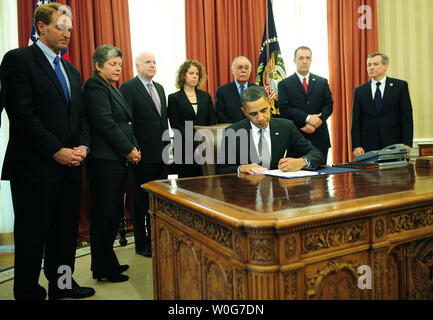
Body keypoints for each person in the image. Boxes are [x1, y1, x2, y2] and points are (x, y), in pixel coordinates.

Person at [0, 3, 94, 300]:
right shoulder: (18, 60)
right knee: (31, 236)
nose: (67, 33)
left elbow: (79, 116)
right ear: (41, 26)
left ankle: (62, 285)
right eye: (60, 27)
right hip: (34, 168)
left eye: (69, 28)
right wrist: (56, 150)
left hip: (70, 167)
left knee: (65, 235)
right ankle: (27, 291)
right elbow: (22, 115)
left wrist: (82, 146)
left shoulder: (71, 69)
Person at [83, 45, 141, 282]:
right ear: (98, 66)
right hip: (104, 161)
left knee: (113, 213)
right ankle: (105, 268)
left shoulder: (111, 87)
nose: (118, 68)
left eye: (119, 63)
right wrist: (129, 150)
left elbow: (127, 123)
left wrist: (134, 147)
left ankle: (107, 263)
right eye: (112, 64)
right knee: (104, 215)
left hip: (117, 160)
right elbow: (105, 123)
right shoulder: (94, 85)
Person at [120, 52, 168, 257]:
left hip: (162, 154)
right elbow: (127, 122)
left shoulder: (159, 88)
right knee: (140, 201)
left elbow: (162, 122)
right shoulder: (128, 87)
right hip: (141, 154)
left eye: (155, 62)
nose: (152, 65)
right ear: (137, 66)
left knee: (158, 200)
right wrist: (133, 148)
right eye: (148, 62)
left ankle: (157, 239)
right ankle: (141, 243)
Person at [216, 86, 322, 175]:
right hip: (247, 193)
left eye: (264, 110)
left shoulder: (286, 126)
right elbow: (221, 170)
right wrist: (241, 168)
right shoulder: (233, 132)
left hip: (280, 193)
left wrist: (301, 162)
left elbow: (316, 154)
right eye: (253, 114)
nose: (261, 118)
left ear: (270, 104)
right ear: (245, 112)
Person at [278, 46, 333, 165]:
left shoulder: (322, 82)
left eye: (307, 58)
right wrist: (307, 118)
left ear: (311, 60)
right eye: (301, 58)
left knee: (321, 178)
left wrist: (316, 122)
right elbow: (284, 109)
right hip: (296, 137)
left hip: (320, 137)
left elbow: (328, 105)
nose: (304, 61)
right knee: (297, 177)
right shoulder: (284, 84)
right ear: (294, 61)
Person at [351, 52, 413, 156]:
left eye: (375, 64)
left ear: (385, 66)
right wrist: (357, 145)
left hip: (395, 144)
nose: (371, 68)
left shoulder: (400, 86)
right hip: (368, 146)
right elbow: (356, 121)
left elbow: (407, 118)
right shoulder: (360, 91)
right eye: (369, 65)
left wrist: (407, 144)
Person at [168, 60, 217, 178]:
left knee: (206, 183)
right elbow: (175, 125)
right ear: (183, 75)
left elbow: (212, 121)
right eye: (191, 73)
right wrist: (195, 142)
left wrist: (203, 142)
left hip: (205, 146)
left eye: (197, 74)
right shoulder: (174, 98)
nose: (195, 76)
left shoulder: (206, 96)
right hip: (184, 148)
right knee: (186, 184)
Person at [215, 56, 256, 123]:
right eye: (240, 67)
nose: (243, 70)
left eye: (246, 68)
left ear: (250, 71)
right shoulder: (222, 91)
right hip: (232, 131)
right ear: (232, 71)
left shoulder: (258, 90)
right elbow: (221, 117)